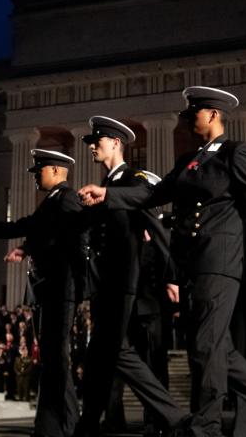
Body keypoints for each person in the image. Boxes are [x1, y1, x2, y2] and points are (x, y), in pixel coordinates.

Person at [79, 87, 246, 437]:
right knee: (218, 349)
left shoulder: (237, 153)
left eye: (193, 113)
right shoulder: (188, 161)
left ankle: (205, 427)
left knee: (206, 346)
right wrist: (109, 194)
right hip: (193, 266)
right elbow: (153, 193)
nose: (188, 119)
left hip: (220, 262)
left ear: (212, 114)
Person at [0, 148, 88, 437]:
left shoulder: (67, 199)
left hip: (61, 290)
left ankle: (66, 425)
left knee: (57, 359)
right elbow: (21, 228)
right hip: (48, 291)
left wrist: (79, 288)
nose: (36, 176)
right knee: (52, 359)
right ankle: (53, 426)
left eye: (39, 170)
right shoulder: (50, 203)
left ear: (55, 171)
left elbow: (75, 242)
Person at [73, 116, 187, 437]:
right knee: (101, 356)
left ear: (116, 143)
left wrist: (172, 276)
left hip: (128, 286)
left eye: (98, 141)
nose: (93, 146)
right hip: (105, 286)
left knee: (112, 352)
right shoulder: (104, 185)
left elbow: (155, 223)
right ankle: (89, 424)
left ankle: (174, 418)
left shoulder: (133, 180)